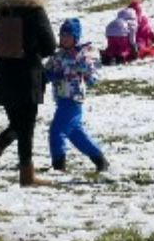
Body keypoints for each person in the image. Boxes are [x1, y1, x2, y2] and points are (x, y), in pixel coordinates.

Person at [0, 0, 55, 186]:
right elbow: (49, 45)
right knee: (25, 125)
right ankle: (25, 175)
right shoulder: (35, 11)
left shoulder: (4, 10)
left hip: (3, 76)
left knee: (18, 123)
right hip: (27, 76)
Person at [45, 18, 108, 175]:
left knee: (56, 131)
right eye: (62, 35)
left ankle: (58, 165)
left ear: (76, 38)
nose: (64, 39)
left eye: (68, 35)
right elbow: (46, 71)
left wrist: (83, 68)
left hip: (73, 99)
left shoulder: (83, 55)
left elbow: (94, 75)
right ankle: (100, 159)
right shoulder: (58, 56)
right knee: (75, 134)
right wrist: (50, 74)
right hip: (61, 99)